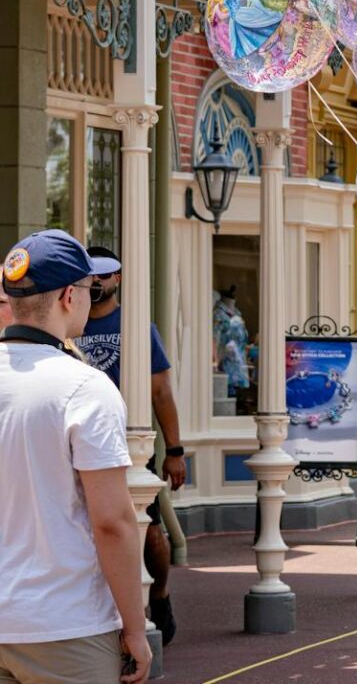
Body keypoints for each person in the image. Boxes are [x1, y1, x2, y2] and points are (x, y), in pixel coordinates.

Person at [0, 231, 151, 684]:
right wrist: (136, 628)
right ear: (69, 295)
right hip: (65, 624)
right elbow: (112, 522)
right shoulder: (84, 387)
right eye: (90, 290)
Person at [75, 246, 187, 645]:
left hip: (131, 444)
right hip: (80, 441)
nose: (98, 282)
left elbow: (160, 391)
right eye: (91, 276)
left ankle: (158, 593)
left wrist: (174, 450)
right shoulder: (72, 324)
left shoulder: (138, 327)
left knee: (149, 529)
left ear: (118, 278)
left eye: (104, 275)